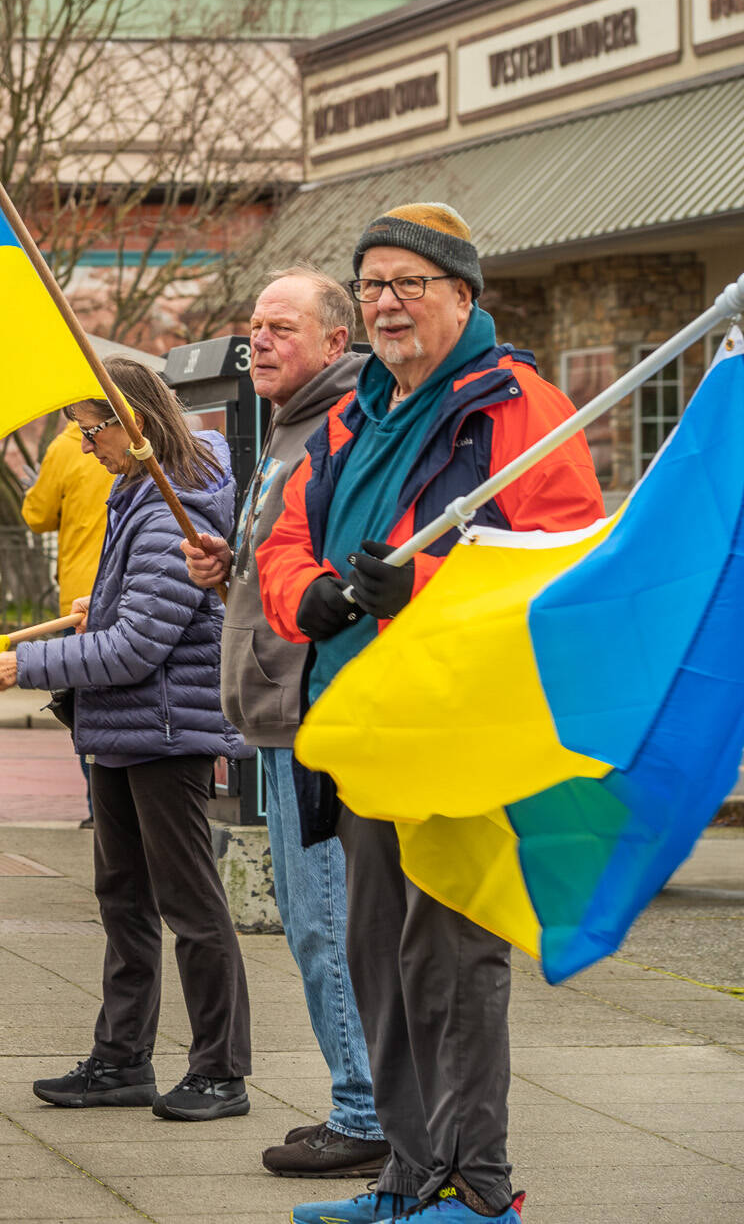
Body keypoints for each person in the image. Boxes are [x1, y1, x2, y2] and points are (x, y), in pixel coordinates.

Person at [257, 206, 603, 1224]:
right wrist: (310, 595)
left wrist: (425, 586)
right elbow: (283, 540)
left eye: (408, 282)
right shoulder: (349, 417)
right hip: (361, 729)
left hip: (458, 732)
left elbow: (566, 565)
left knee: (451, 960)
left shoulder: (520, 409)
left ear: (462, 294)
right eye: (371, 284)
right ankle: (408, 1178)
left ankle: (477, 1187)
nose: (386, 303)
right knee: (379, 959)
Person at [0, 357, 252, 1123]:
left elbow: (135, 648)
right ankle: (122, 1058)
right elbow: (139, 615)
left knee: (190, 904)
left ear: (135, 425)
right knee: (123, 898)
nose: (86, 447)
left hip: (165, 730)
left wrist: (23, 663)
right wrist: (107, 599)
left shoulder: (171, 504)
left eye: (91, 432)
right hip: (127, 726)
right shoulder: (139, 494)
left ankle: (220, 1069)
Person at [179, 267, 386, 1179]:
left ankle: (365, 1110)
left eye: (282, 327)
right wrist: (230, 564)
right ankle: (359, 1099)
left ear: (336, 341)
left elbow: (335, 582)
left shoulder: (340, 427)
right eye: (255, 325)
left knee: (325, 922)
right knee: (313, 920)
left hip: (311, 715)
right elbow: (285, 566)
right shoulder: (288, 425)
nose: (259, 340)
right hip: (275, 711)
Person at [20, 420, 112, 828]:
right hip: (131, 585)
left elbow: (37, 515)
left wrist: (36, 491)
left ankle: (99, 810)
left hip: (79, 597)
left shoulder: (66, 445)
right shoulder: (142, 436)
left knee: (84, 706)